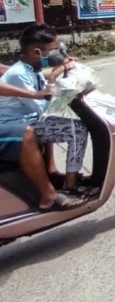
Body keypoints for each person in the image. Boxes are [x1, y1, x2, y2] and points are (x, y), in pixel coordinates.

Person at [0, 24, 92, 197]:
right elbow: (42, 106)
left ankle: (57, 175)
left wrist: (61, 73)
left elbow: (46, 85)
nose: (56, 53)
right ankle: (70, 184)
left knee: (69, 125)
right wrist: (62, 90)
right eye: (53, 50)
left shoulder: (30, 69)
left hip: (29, 118)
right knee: (77, 130)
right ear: (36, 52)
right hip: (16, 124)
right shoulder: (18, 74)